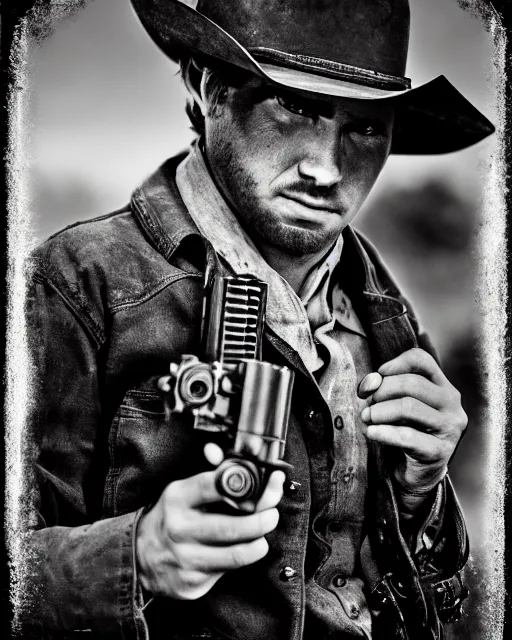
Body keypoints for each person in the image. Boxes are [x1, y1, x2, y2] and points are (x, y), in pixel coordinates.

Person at [21, 1, 494, 639]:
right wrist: (137, 557)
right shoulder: (77, 282)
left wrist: (421, 497)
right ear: (209, 87)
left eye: (363, 128)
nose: (325, 169)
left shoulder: (384, 313)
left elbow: (428, 599)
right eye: (295, 107)